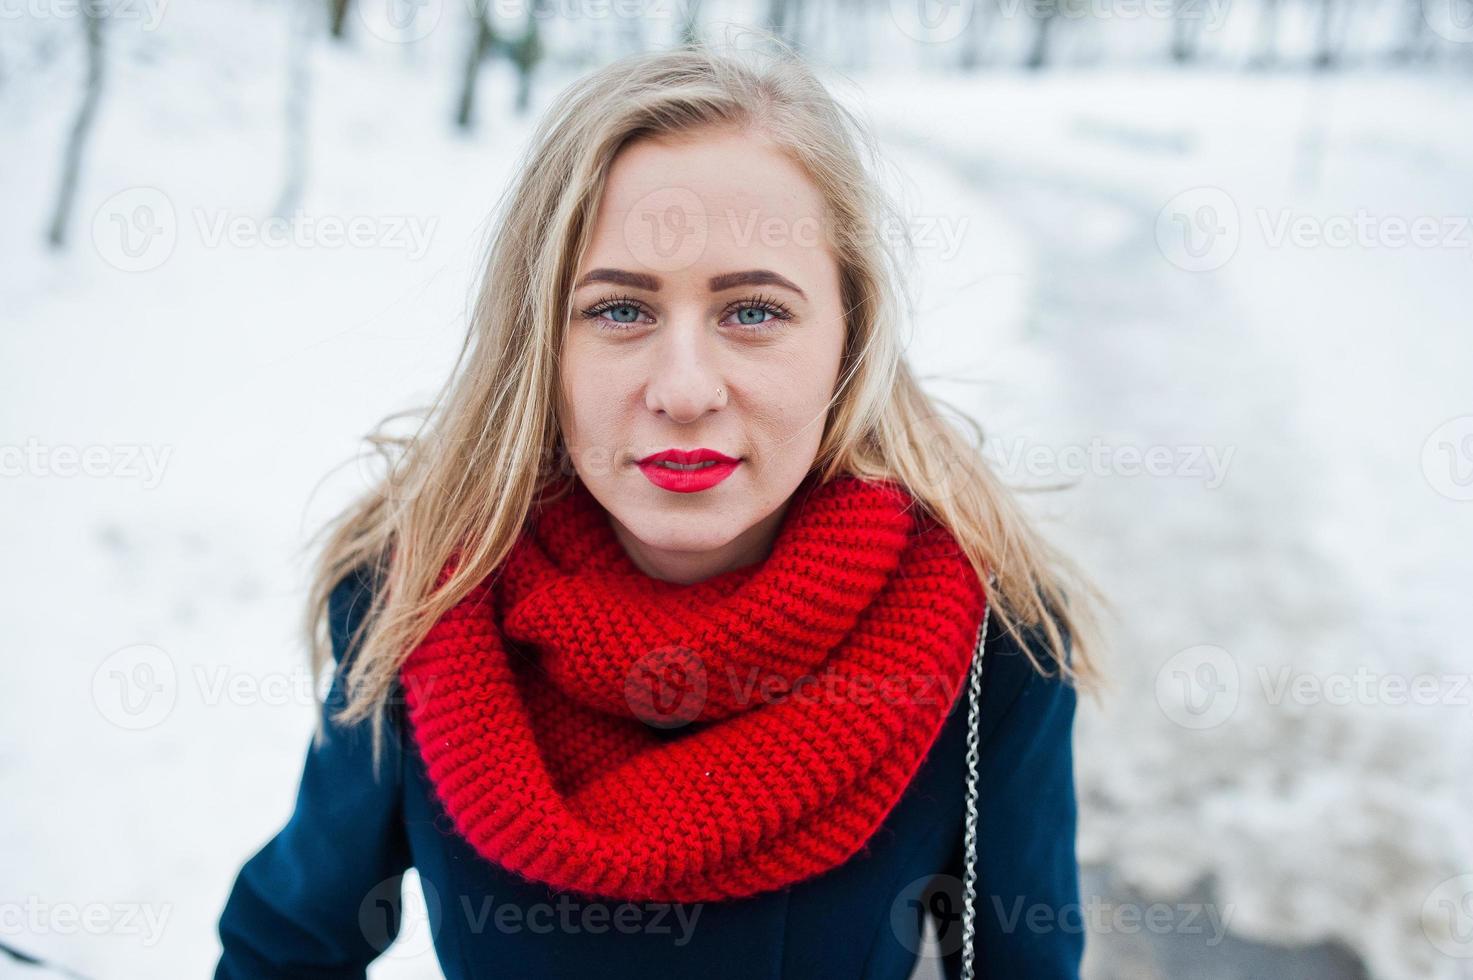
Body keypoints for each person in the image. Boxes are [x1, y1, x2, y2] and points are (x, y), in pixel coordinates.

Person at [214, 38, 1101, 980]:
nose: (684, 391)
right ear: (540, 341)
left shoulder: (984, 639)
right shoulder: (426, 593)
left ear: (852, 335)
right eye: (620, 311)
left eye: (753, 312)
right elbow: (290, 944)